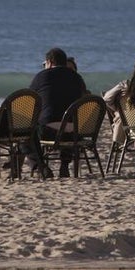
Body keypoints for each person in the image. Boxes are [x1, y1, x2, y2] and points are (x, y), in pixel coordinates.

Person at [28, 47, 86, 177]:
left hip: (49, 132)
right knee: (67, 119)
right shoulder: (77, 77)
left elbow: (29, 99)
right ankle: (64, 164)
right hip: (75, 133)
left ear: (49, 62)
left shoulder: (42, 76)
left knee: (26, 136)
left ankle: (41, 167)